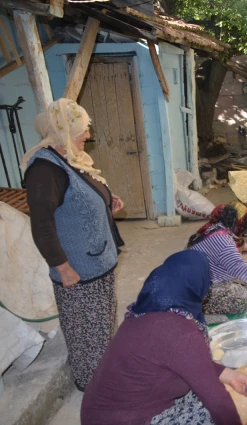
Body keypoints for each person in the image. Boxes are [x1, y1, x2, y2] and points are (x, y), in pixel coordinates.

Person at [81, 251, 247, 425]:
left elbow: (185, 359)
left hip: (99, 413)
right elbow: (216, 399)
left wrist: (228, 374)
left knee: (206, 392)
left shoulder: (146, 310)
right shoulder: (181, 331)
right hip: (126, 419)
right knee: (216, 412)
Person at [22, 98, 125, 391]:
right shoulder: (44, 169)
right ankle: (93, 388)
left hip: (98, 262)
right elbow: (41, 224)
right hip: (78, 271)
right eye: (82, 129)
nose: (88, 135)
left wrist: (107, 200)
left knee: (103, 327)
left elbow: (84, 190)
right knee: (86, 333)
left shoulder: (70, 156)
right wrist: (62, 267)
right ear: (62, 129)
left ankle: (105, 376)